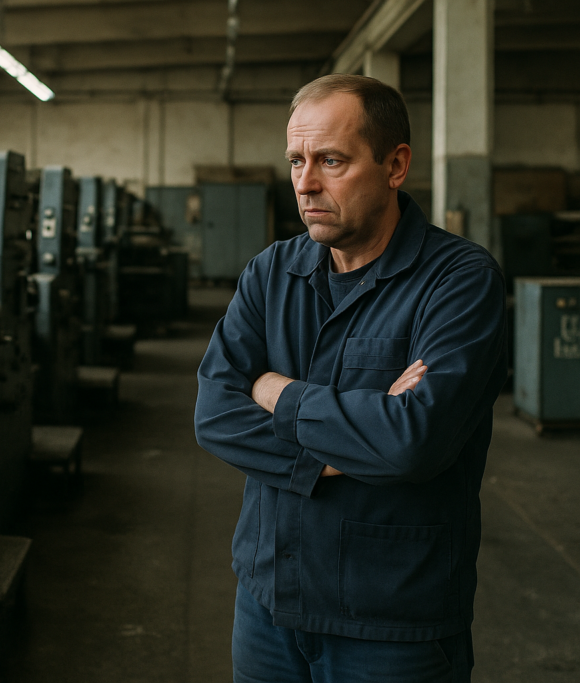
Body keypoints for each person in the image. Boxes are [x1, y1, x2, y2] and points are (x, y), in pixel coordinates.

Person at [194, 74, 507, 683]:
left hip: (390, 625)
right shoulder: (271, 273)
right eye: (296, 161)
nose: (305, 184)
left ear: (396, 165)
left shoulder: (458, 282)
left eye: (331, 161)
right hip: (267, 606)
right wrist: (352, 439)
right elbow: (213, 414)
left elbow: (414, 442)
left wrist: (274, 390)